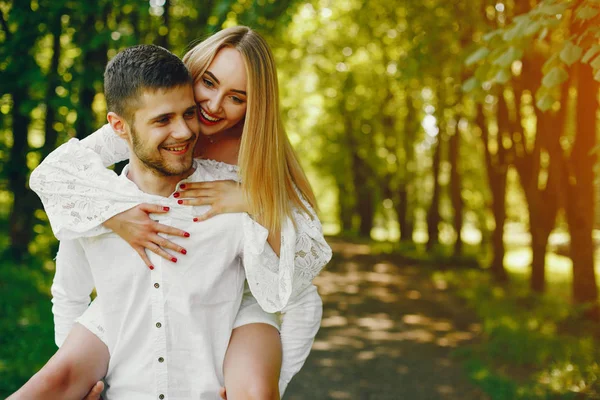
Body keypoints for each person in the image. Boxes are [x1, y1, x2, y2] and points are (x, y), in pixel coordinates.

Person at [24, 27, 331, 398]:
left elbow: (305, 269)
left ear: (255, 105)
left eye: (236, 97)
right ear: (192, 74)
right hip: (142, 300)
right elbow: (54, 173)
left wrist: (253, 201)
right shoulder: (161, 111)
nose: (214, 106)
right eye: (209, 83)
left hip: (230, 302)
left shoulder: (258, 154)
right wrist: (115, 215)